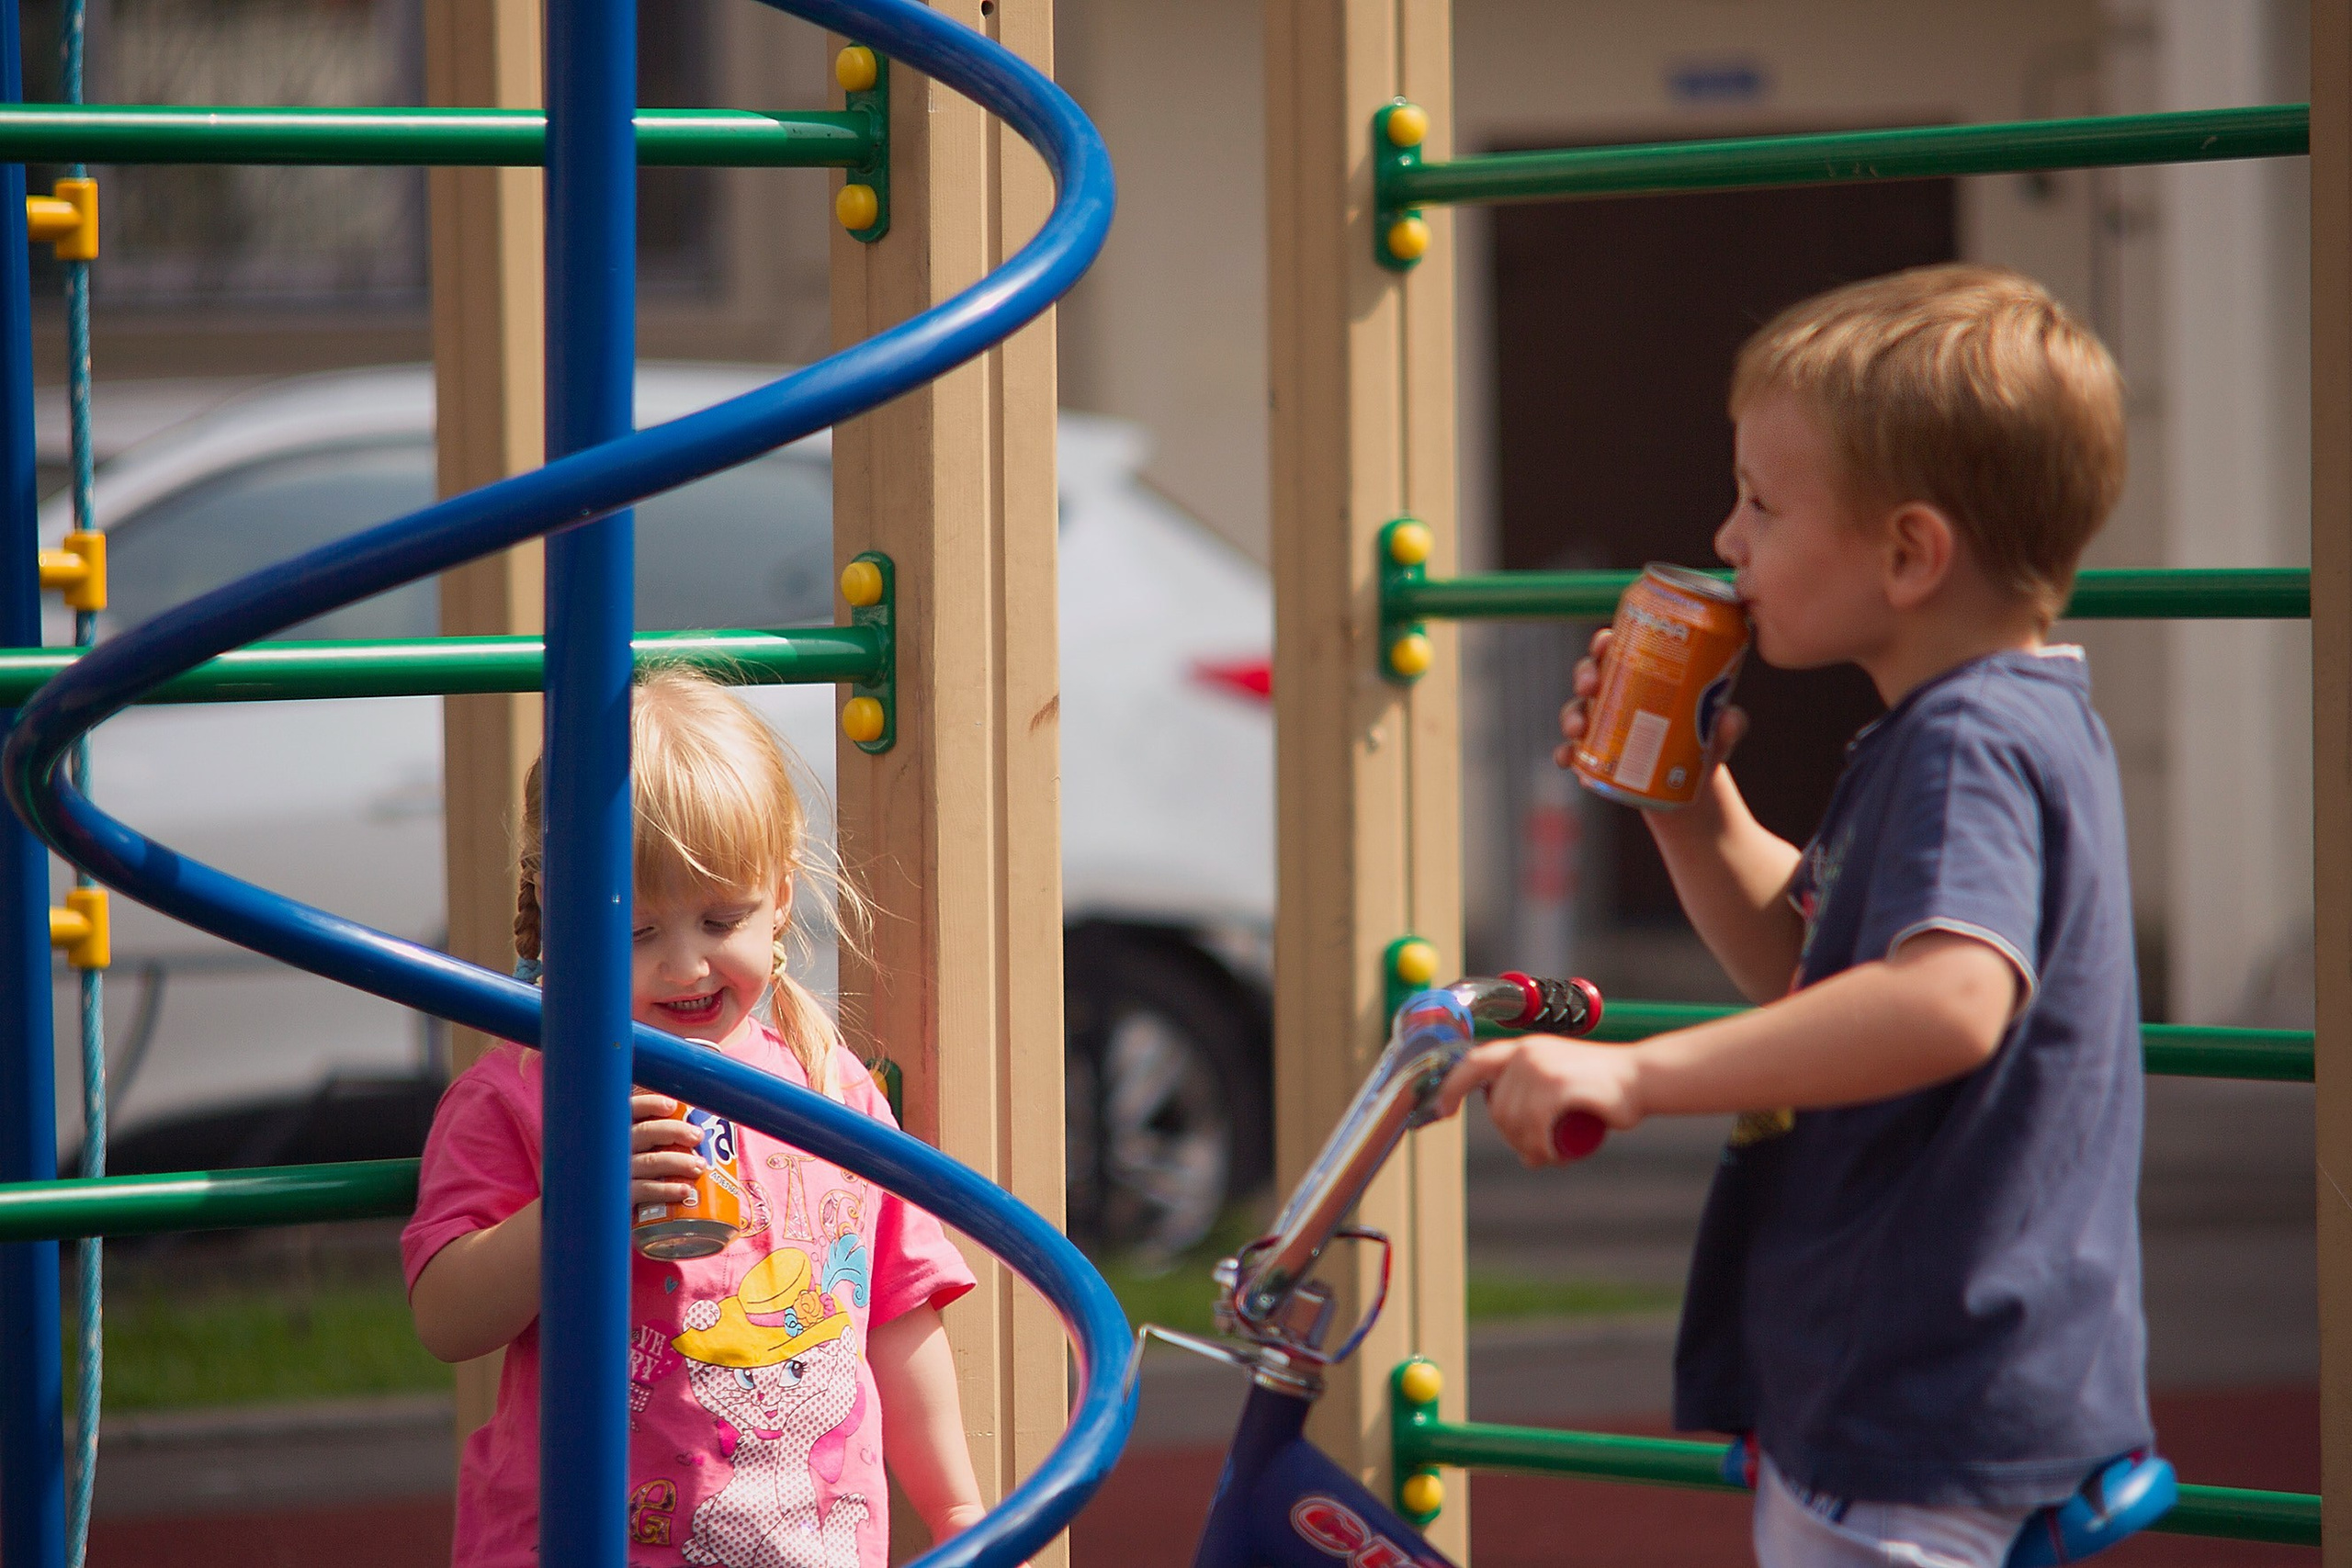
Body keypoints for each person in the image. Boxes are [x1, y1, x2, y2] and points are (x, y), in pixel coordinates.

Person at [1437, 265, 2151, 1567]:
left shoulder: (1971, 743)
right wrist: (1688, 804)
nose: (1728, 537)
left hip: (1926, 1409)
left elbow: (1945, 1001)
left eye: (1764, 504)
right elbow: (1808, 966)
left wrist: (1635, 1071)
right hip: (1903, 1391)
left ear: (1910, 552)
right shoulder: (1973, 729)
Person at [403, 666, 986, 1568]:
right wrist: (576, 1206)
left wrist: (956, 1509)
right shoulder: (522, 1092)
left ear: (779, 895)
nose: (686, 967)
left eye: (721, 920)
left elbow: (898, 1309)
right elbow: (446, 1317)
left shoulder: (826, 1085)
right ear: (558, 908)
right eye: (637, 932)